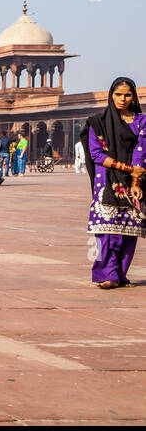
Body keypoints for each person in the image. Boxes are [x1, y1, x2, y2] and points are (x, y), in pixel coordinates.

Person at [80, 78, 146, 289]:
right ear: (111, 95)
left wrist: (136, 181)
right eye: (118, 94)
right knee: (106, 231)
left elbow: (141, 152)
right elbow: (97, 154)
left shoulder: (141, 122)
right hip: (107, 181)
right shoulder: (98, 122)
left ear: (133, 97)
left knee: (128, 232)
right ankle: (106, 274)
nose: (123, 99)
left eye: (127, 95)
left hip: (133, 183)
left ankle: (119, 274)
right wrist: (127, 169)